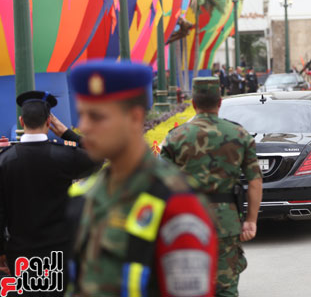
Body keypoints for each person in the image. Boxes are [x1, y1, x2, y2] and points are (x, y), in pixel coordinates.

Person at [68, 60, 218, 296]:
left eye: (96, 117)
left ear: (135, 118)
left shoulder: (176, 202)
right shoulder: (84, 195)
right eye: (81, 115)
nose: (83, 126)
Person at [161, 77, 263, 297]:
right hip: (227, 222)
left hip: (186, 222)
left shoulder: (175, 137)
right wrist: (251, 221)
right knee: (225, 288)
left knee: (188, 287)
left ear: (193, 103)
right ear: (220, 102)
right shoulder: (239, 134)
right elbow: (255, 180)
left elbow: (162, 184)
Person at [0, 91, 98, 295]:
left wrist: (1, 251)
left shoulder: (5, 161)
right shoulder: (64, 156)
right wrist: (67, 134)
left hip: (21, 255)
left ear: (21, 120)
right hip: (60, 252)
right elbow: (97, 157)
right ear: (49, 121)